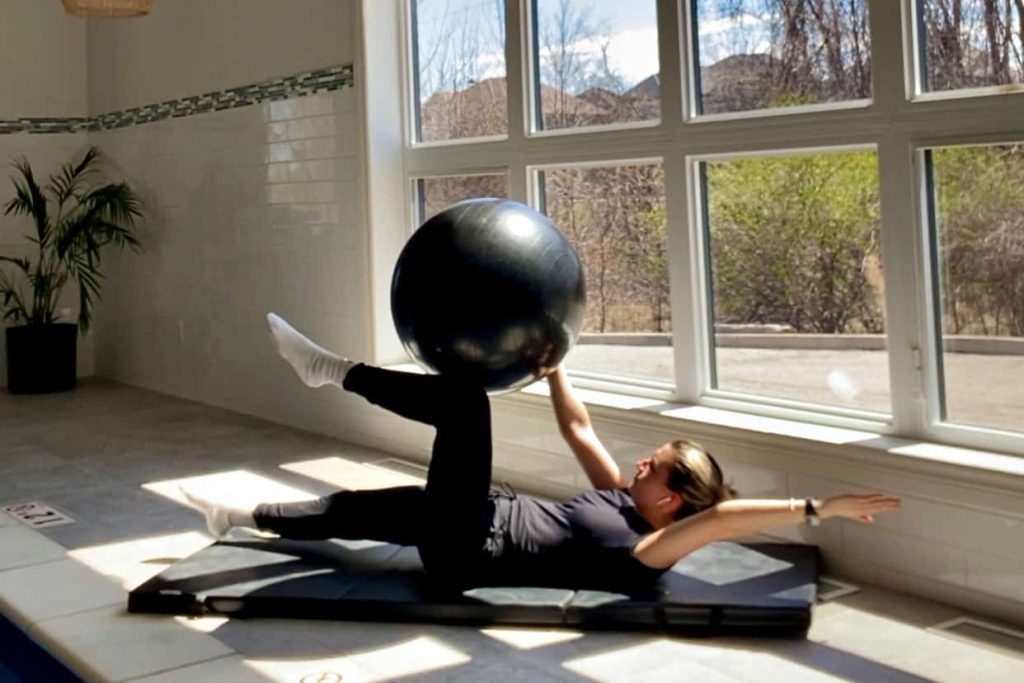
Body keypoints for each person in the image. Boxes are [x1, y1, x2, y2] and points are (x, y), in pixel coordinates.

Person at [183, 313, 900, 593]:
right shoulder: (622, 497)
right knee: (355, 510)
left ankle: (330, 370)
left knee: (466, 405)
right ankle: (238, 516)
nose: (639, 465)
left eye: (651, 466)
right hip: (470, 516)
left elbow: (722, 519)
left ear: (673, 498)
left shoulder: (648, 550)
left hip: (469, 546)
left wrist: (817, 507)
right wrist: (555, 370)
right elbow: (579, 430)